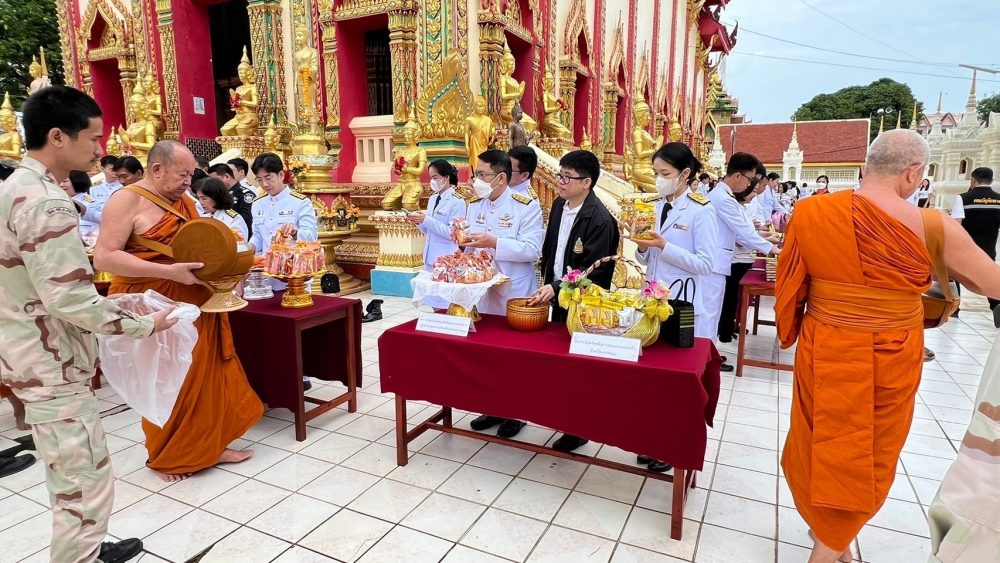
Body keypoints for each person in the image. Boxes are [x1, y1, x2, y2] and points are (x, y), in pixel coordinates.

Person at [775, 129, 1000, 563]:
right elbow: (990, 283)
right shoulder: (932, 225)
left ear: (865, 167)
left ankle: (830, 534)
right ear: (914, 173)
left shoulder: (812, 211)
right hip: (889, 355)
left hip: (824, 345)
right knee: (867, 454)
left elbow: (792, 280)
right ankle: (828, 548)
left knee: (818, 440)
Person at [0, 85, 180, 563]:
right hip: (51, 360)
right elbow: (68, 298)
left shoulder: (13, 188)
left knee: (72, 475)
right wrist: (144, 324)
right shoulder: (46, 202)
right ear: (58, 136)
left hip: (26, 350)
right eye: (94, 138)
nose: (101, 150)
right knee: (83, 485)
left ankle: (90, 549)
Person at [95, 140, 264, 483]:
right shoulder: (126, 200)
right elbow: (105, 257)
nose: (190, 182)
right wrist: (169, 272)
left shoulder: (184, 201)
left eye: (191, 175)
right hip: (155, 304)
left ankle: (211, 446)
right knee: (168, 377)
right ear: (157, 169)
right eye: (183, 174)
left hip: (196, 301)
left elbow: (200, 247)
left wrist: (229, 268)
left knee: (204, 375)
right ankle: (170, 455)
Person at [631, 142, 718, 471]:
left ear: (685, 174)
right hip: (650, 302)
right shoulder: (652, 206)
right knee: (651, 377)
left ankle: (671, 447)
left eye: (664, 173)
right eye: (655, 172)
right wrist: (642, 248)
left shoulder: (701, 211)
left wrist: (664, 245)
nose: (658, 179)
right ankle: (652, 439)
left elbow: (705, 264)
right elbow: (646, 258)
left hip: (681, 303)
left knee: (676, 381)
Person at [529, 150, 619, 453]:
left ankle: (579, 427)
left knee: (581, 365)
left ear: (587, 182)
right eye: (560, 175)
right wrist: (548, 281)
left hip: (584, 303)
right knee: (560, 361)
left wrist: (558, 286)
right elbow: (552, 248)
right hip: (558, 295)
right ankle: (563, 415)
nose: (560, 181)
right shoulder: (559, 205)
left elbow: (594, 270)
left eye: (567, 177)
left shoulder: (601, 220)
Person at [465, 149, 544, 439]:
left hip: (514, 290)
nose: (476, 180)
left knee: (514, 355)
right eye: (476, 174)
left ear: (500, 178)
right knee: (487, 352)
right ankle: (492, 407)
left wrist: (495, 242)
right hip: (484, 290)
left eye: (482, 174)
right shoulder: (475, 205)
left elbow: (532, 250)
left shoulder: (526, 206)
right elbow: (469, 244)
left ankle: (517, 412)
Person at [706, 153, 779, 371]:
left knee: (713, 313)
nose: (749, 185)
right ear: (738, 175)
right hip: (714, 264)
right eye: (749, 179)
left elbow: (743, 233)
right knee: (711, 314)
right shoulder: (723, 199)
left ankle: (710, 355)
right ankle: (708, 359)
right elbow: (745, 233)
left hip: (719, 262)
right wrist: (773, 249)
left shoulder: (725, 197)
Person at [719, 184, 780, 344]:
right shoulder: (731, 207)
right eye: (752, 190)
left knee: (733, 299)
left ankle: (729, 329)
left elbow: (749, 234)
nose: (755, 193)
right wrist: (770, 245)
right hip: (735, 258)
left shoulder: (741, 208)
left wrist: (763, 236)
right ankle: (724, 333)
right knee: (729, 299)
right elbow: (741, 239)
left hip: (743, 256)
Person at [407, 159, 467, 308]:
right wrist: (418, 222)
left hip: (446, 258)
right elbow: (429, 230)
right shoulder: (433, 199)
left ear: (446, 177)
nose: (432, 181)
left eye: (435, 177)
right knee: (432, 298)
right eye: (431, 178)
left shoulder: (457, 201)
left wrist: (426, 220)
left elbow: (453, 233)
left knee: (445, 301)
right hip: (429, 257)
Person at [950, 167, 1000, 311]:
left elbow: (956, 225)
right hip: (989, 250)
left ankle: (954, 307)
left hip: (966, 248)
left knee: (953, 274)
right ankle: (996, 305)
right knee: (989, 279)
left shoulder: (963, 198)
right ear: (991, 180)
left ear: (973, 180)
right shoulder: (998, 199)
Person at [193, 177, 249, 242]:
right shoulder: (202, 217)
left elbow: (239, 244)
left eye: (204, 198)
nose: (201, 202)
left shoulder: (233, 219)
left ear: (216, 197)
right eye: (198, 198)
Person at [207, 162, 254, 230]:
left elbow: (247, 221)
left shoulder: (245, 194)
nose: (212, 184)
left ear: (227, 176)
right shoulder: (219, 195)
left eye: (214, 181)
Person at [58, 169, 103, 237]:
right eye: (59, 181)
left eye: (65, 181)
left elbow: (102, 219)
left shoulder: (92, 204)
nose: (61, 185)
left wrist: (83, 209)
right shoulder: (58, 201)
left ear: (77, 181)